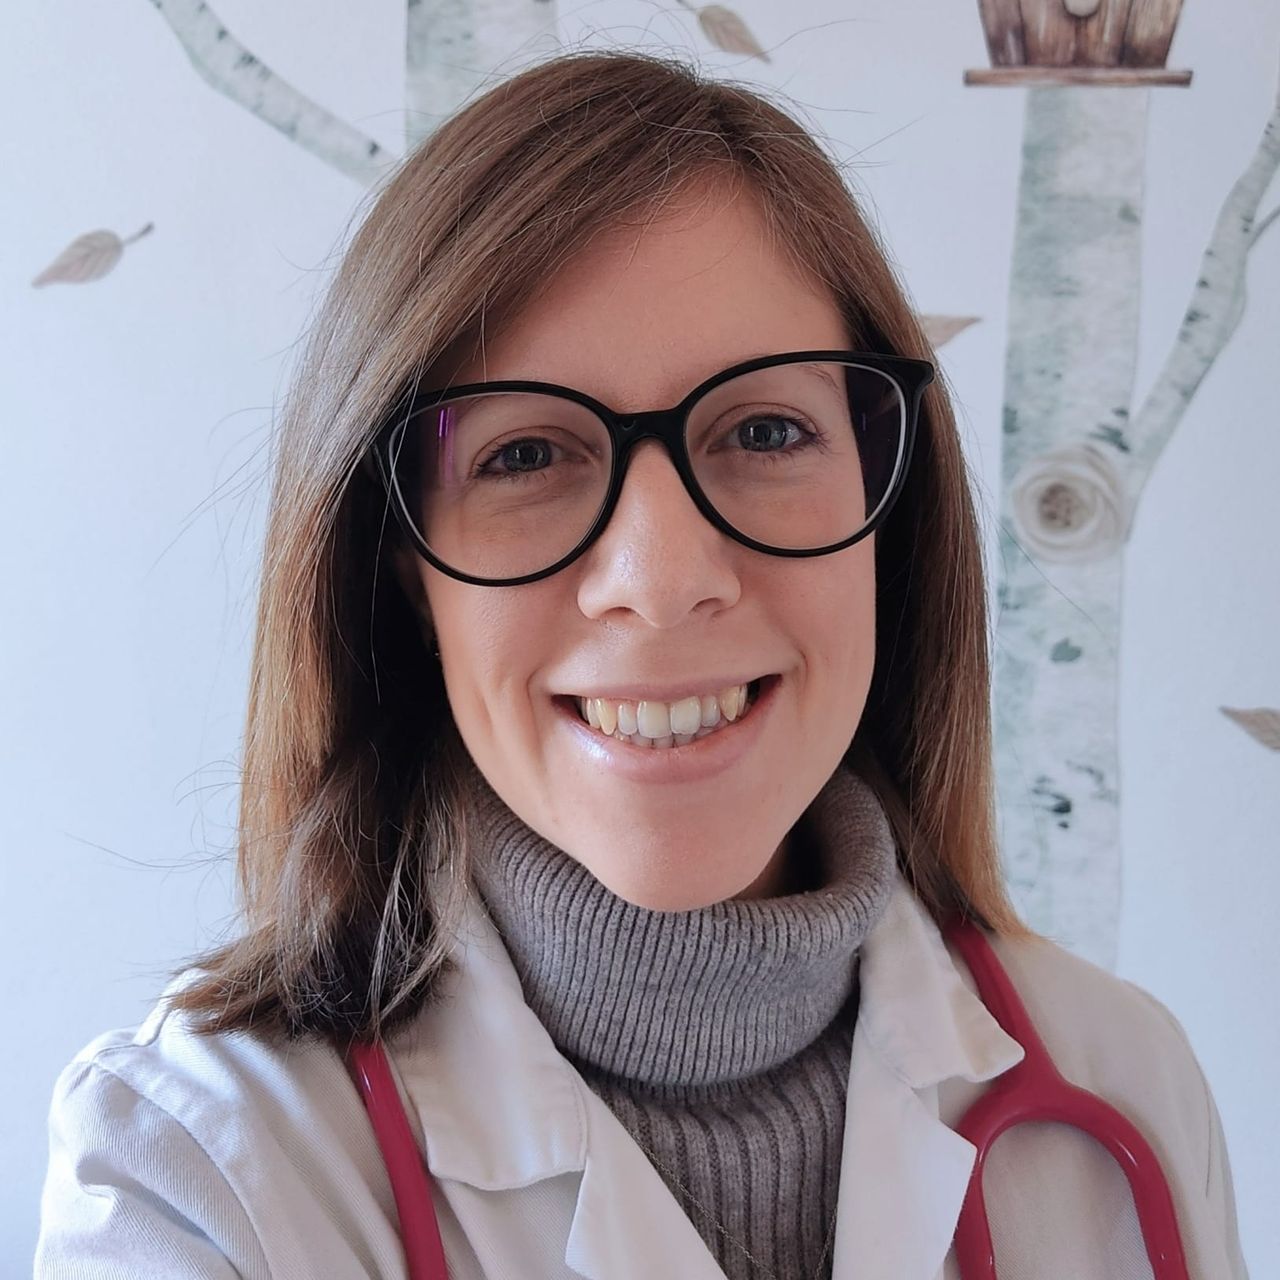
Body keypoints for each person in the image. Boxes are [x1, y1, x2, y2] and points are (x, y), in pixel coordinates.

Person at [35, 48, 1247, 1280]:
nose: (662, 578)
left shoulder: (1122, 1081)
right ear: (399, 561)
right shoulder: (197, 1171)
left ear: (888, 509)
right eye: (523, 455)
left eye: (763, 429)